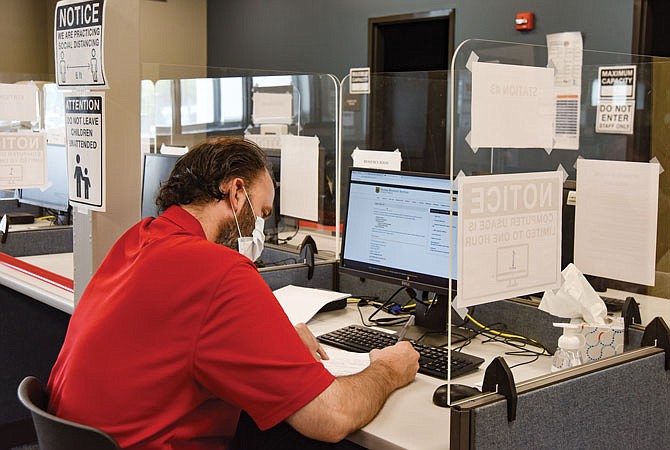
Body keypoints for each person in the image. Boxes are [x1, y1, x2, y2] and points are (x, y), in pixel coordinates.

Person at [47, 136, 419, 450]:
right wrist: (387, 369)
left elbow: (176, 336)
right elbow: (331, 416)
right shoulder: (218, 268)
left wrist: (269, 342)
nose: (261, 226)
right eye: (263, 211)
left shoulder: (139, 238)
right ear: (237, 192)